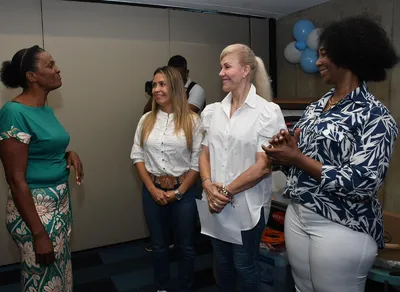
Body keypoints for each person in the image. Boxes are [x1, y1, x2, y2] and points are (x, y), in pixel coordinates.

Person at [263, 16, 399, 292]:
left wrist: (299, 158)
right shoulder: (316, 107)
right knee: (303, 288)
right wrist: (284, 154)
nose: (318, 61)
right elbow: (296, 162)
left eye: (324, 55)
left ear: (346, 57)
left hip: (342, 224)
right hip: (298, 213)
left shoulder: (376, 116)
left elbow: (364, 182)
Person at [198, 44, 286, 292]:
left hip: (247, 206)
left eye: (227, 67)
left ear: (246, 69)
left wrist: (224, 192)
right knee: (223, 264)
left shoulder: (267, 112)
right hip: (214, 202)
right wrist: (207, 186)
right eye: (220, 67)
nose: (221, 73)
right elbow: (203, 154)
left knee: (245, 265)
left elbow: (262, 167)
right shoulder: (213, 111)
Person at [0, 45, 84, 292]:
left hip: (59, 204)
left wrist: (68, 153)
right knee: (42, 281)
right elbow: (15, 179)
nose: (57, 69)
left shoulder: (44, 108)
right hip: (35, 210)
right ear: (31, 76)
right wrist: (38, 234)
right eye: (49, 65)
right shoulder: (14, 112)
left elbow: (41, 147)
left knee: (60, 274)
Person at [130, 66, 202, 292]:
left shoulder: (192, 121)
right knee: (159, 246)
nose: (157, 90)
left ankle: (185, 286)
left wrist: (178, 192)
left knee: (186, 247)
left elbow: (196, 162)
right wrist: (151, 189)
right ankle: (162, 287)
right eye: (154, 85)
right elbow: (137, 156)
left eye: (162, 84)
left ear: (175, 87)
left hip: (185, 191)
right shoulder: (146, 120)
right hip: (153, 191)